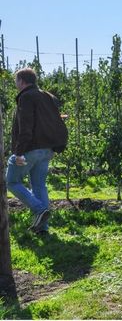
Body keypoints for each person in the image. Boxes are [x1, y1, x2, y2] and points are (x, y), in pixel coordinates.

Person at [6, 68, 68, 235]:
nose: (15, 83)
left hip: (31, 148)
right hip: (47, 149)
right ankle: (42, 228)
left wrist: (18, 152)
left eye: (16, 80)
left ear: (22, 81)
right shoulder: (48, 96)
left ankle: (39, 209)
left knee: (11, 181)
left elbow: (26, 126)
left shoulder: (26, 97)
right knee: (39, 185)